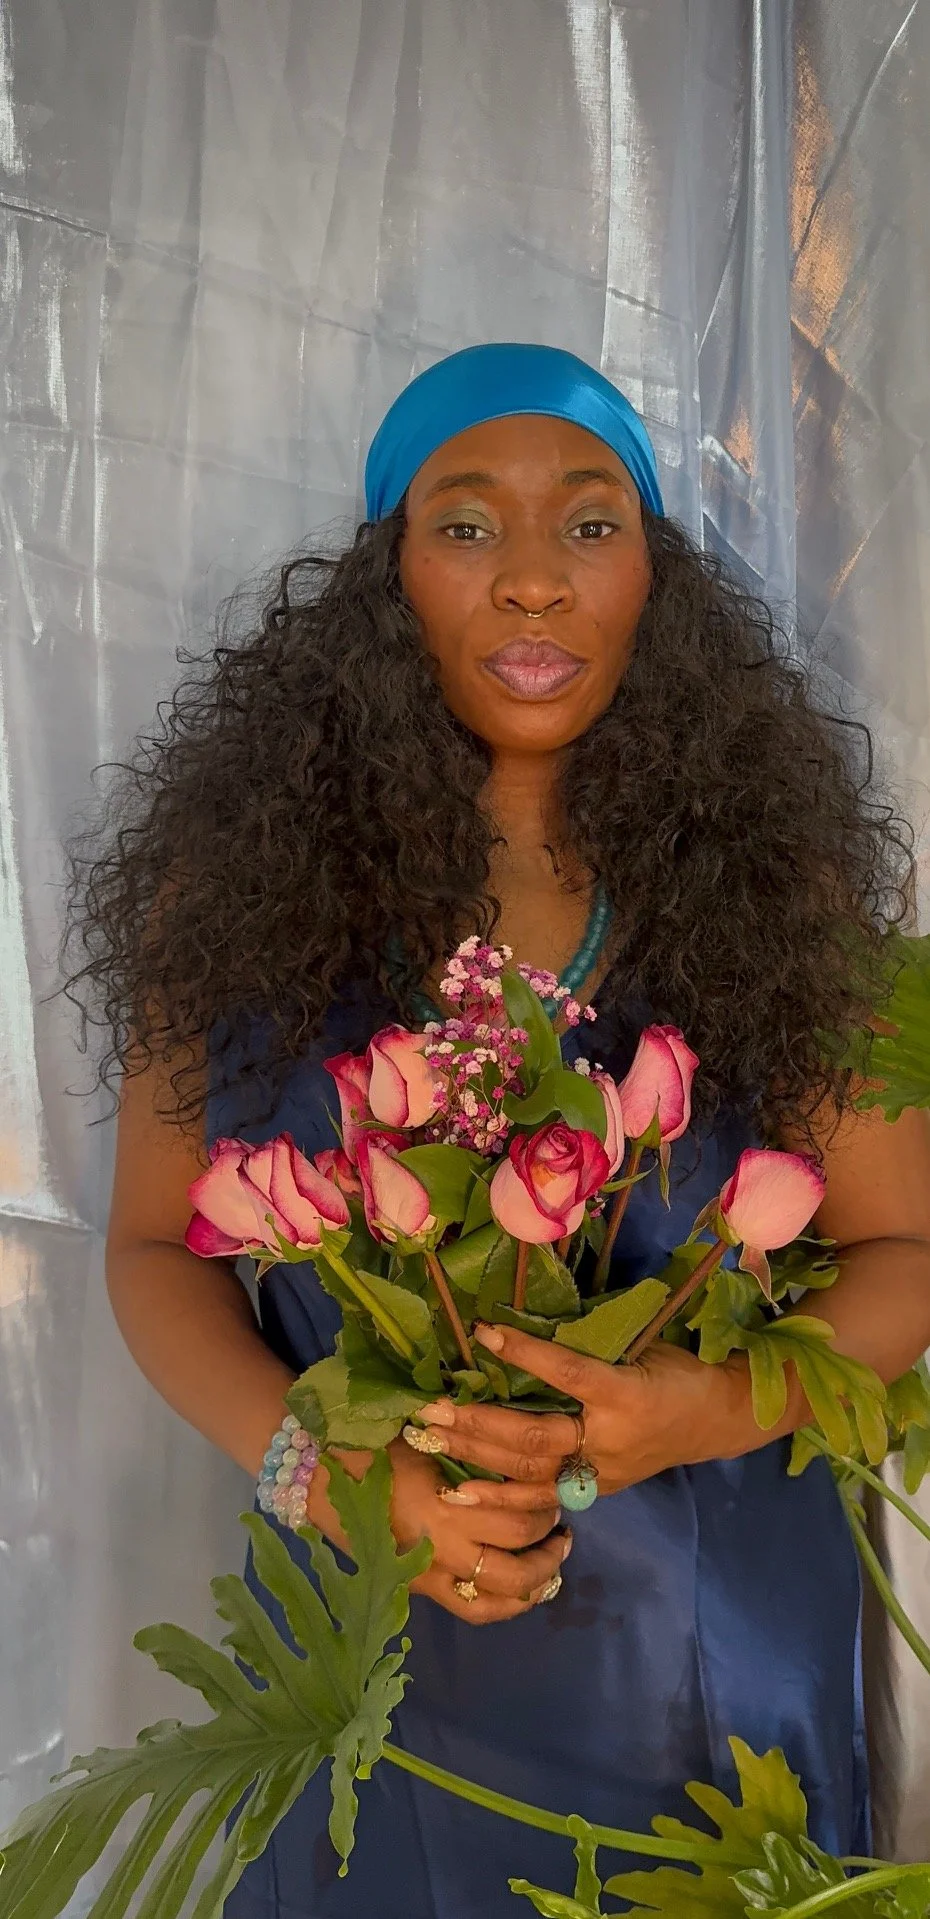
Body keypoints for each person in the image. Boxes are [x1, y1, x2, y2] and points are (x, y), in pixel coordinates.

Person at [63, 342, 930, 1917]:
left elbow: (902, 1251)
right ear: (384, 576)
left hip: (712, 1686)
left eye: (590, 525)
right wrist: (321, 1469)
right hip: (379, 1656)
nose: (532, 580)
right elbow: (144, 1247)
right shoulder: (230, 900)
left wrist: (699, 1408)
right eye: (465, 526)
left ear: (654, 576)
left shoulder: (782, 897)